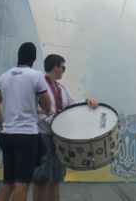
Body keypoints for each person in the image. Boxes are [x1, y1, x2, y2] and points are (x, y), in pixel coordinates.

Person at [0, 42, 52, 201]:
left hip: (7, 135)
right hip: (26, 136)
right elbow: (47, 105)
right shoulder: (36, 76)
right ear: (34, 58)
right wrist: (40, 108)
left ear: (18, 56)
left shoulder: (4, 76)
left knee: (8, 183)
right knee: (21, 183)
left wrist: (4, 124)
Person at [33, 54, 98, 201]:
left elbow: (72, 104)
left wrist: (86, 101)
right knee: (40, 178)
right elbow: (35, 109)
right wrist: (54, 122)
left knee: (56, 178)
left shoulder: (62, 88)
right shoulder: (38, 85)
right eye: (63, 67)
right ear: (56, 67)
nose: (64, 70)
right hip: (43, 135)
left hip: (59, 138)